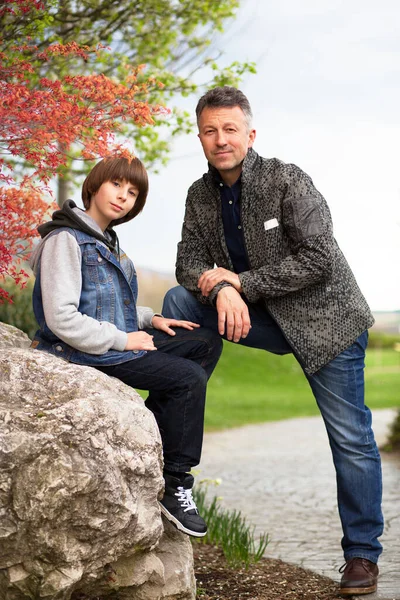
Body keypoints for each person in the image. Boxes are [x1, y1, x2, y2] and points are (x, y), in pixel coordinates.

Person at [162, 86, 383, 594]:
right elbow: (188, 263)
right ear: (200, 138)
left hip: (327, 322)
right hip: (258, 317)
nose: (221, 140)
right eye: (210, 131)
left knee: (351, 439)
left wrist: (241, 284)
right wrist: (219, 286)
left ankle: (362, 557)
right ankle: (175, 452)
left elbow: (319, 258)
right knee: (179, 301)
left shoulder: (287, 179)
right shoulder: (199, 195)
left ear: (250, 133)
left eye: (230, 129)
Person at [30, 155, 222, 538]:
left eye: (133, 192)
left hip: (110, 344)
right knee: (187, 378)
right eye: (116, 185)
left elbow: (104, 305)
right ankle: (175, 482)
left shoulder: (108, 241)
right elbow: (62, 318)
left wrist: (150, 320)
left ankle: (156, 436)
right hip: (80, 354)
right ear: (94, 185)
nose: (123, 196)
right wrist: (124, 339)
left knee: (202, 342)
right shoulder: (64, 240)